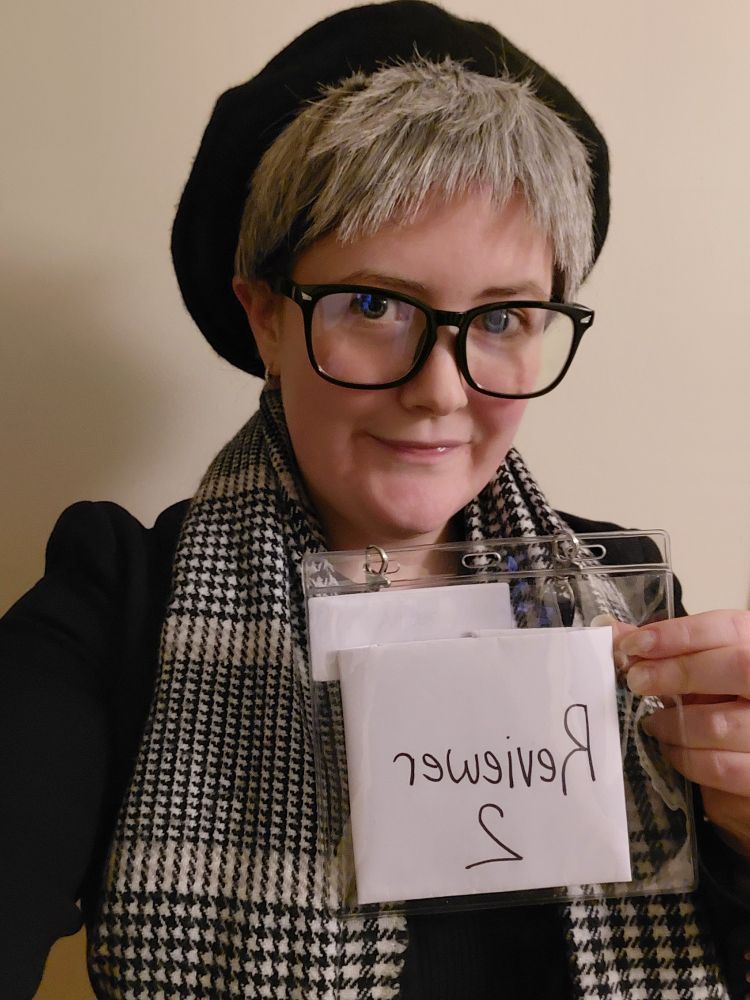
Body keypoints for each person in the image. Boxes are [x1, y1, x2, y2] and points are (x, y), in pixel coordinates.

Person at [0, 2, 748, 997]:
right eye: (374, 305)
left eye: (506, 317)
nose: (441, 388)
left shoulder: (623, 608)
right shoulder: (118, 603)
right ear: (264, 314)